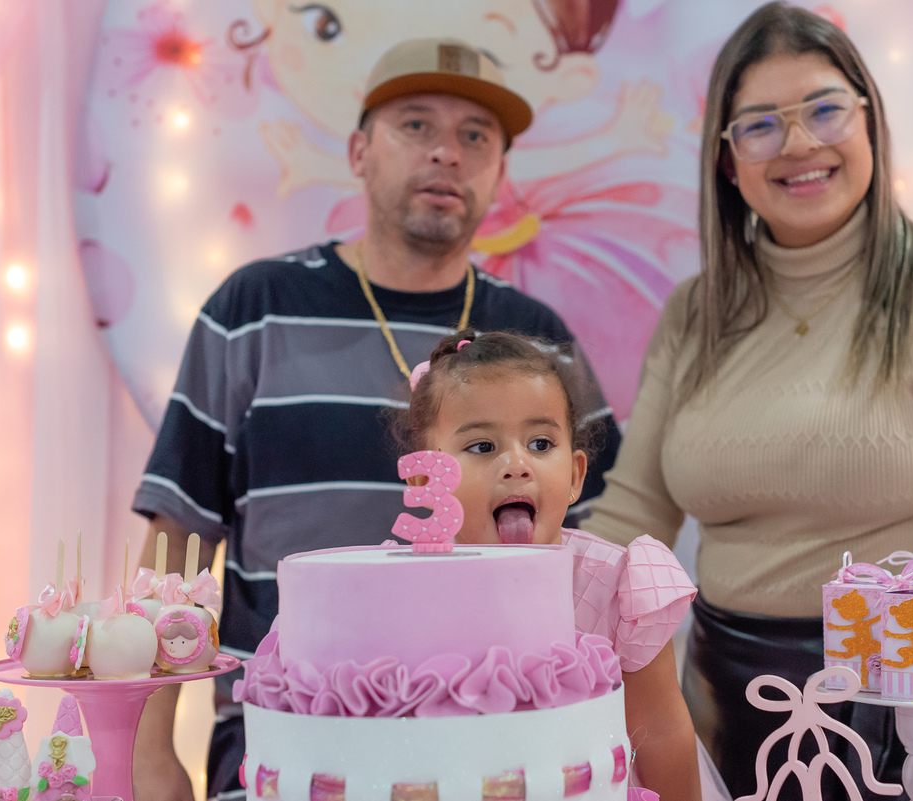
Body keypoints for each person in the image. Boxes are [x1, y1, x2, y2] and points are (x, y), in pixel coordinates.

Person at [581, 3, 913, 799]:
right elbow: (633, 519)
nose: (799, 143)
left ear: (870, 121)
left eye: (825, 109)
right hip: (723, 706)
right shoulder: (695, 314)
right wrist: (519, 621)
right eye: (760, 124)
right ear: (728, 161)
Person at [130, 38, 621, 801]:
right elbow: (179, 541)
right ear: (360, 151)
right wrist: (149, 744)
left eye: (475, 137)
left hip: (499, 762)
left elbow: (591, 548)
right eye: (415, 126)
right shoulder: (252, 310)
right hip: (281, 752)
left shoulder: (537, 338)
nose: (447, 154)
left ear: (498, 171)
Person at [397, 330, 724, 801]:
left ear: (574, 476)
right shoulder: (403, 587)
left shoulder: (618, 586)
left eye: (540, 443)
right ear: (428, 476)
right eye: (482, 447)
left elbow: (661, 730)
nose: (516, 464)